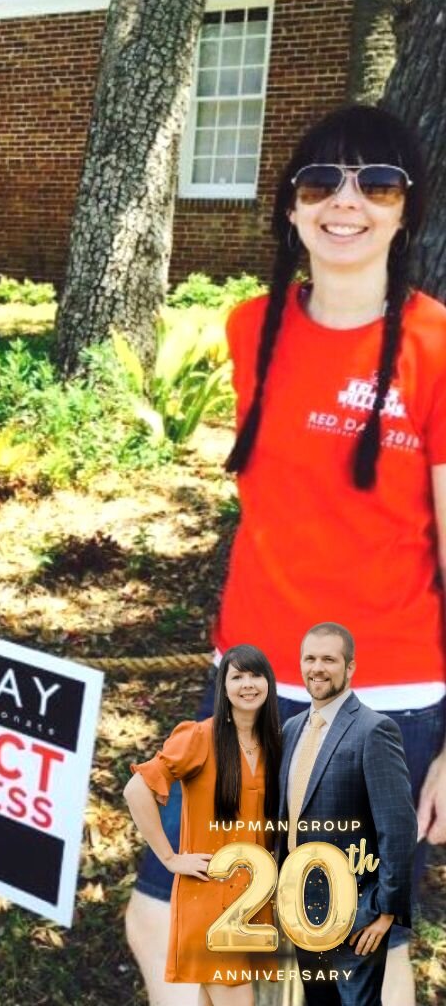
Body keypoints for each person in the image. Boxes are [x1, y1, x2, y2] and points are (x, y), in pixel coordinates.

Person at [125, 104, 446, 1006]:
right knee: (177, 925)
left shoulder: (436, 346)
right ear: (293, 209)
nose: (347, 203)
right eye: (321, 183)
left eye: (376, 184)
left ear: (405, 211)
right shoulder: (250, 327)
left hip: (384, 700)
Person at [124, 645, 282, 1006]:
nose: (248, 689)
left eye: (255, 680)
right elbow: (137, 789)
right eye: (238, 679)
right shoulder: (200, 738)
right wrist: (170, 857)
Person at [280, 623, 417, 1005]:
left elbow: (399, 828)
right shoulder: (291, 730)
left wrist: (386, 912)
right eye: (310, 658)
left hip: (358, 909)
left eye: (329, 659)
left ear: (350, 667)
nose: (317, 668)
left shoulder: (374, 731)